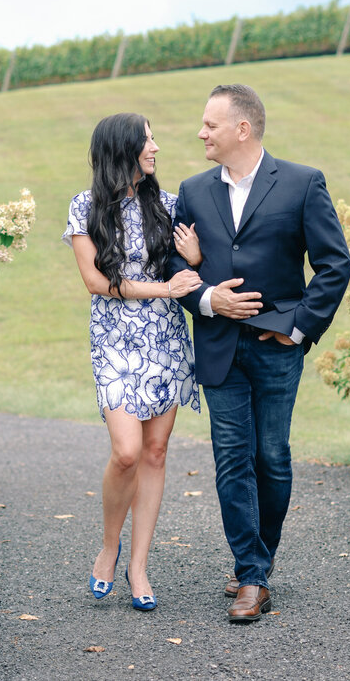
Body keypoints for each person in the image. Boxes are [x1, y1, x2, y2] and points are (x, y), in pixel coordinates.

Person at [168, 84, 350, 623]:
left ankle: (258, 559)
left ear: (241, 129)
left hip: (277, 348)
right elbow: (172, 271)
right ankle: (251, 574)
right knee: (231, 460)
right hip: (219, 348)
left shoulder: (301, 183)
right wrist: (207, 295)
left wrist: (297, 327)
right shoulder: (193, 190)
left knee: (271, 458)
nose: (201, 133)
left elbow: (335, 264)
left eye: (210, 125)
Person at [63, 113, 204, 612]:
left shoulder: (168, 206)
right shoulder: (85, 209)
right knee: (126, 451)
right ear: (123, 150)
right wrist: (163, 288)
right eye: (148, 141)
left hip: (166, 337)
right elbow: (96, 283)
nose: (157, 148)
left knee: (156, 452)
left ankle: (139, 565)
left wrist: (196, 258)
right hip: (116, 342)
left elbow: (188, 272)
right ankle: (108, 546)